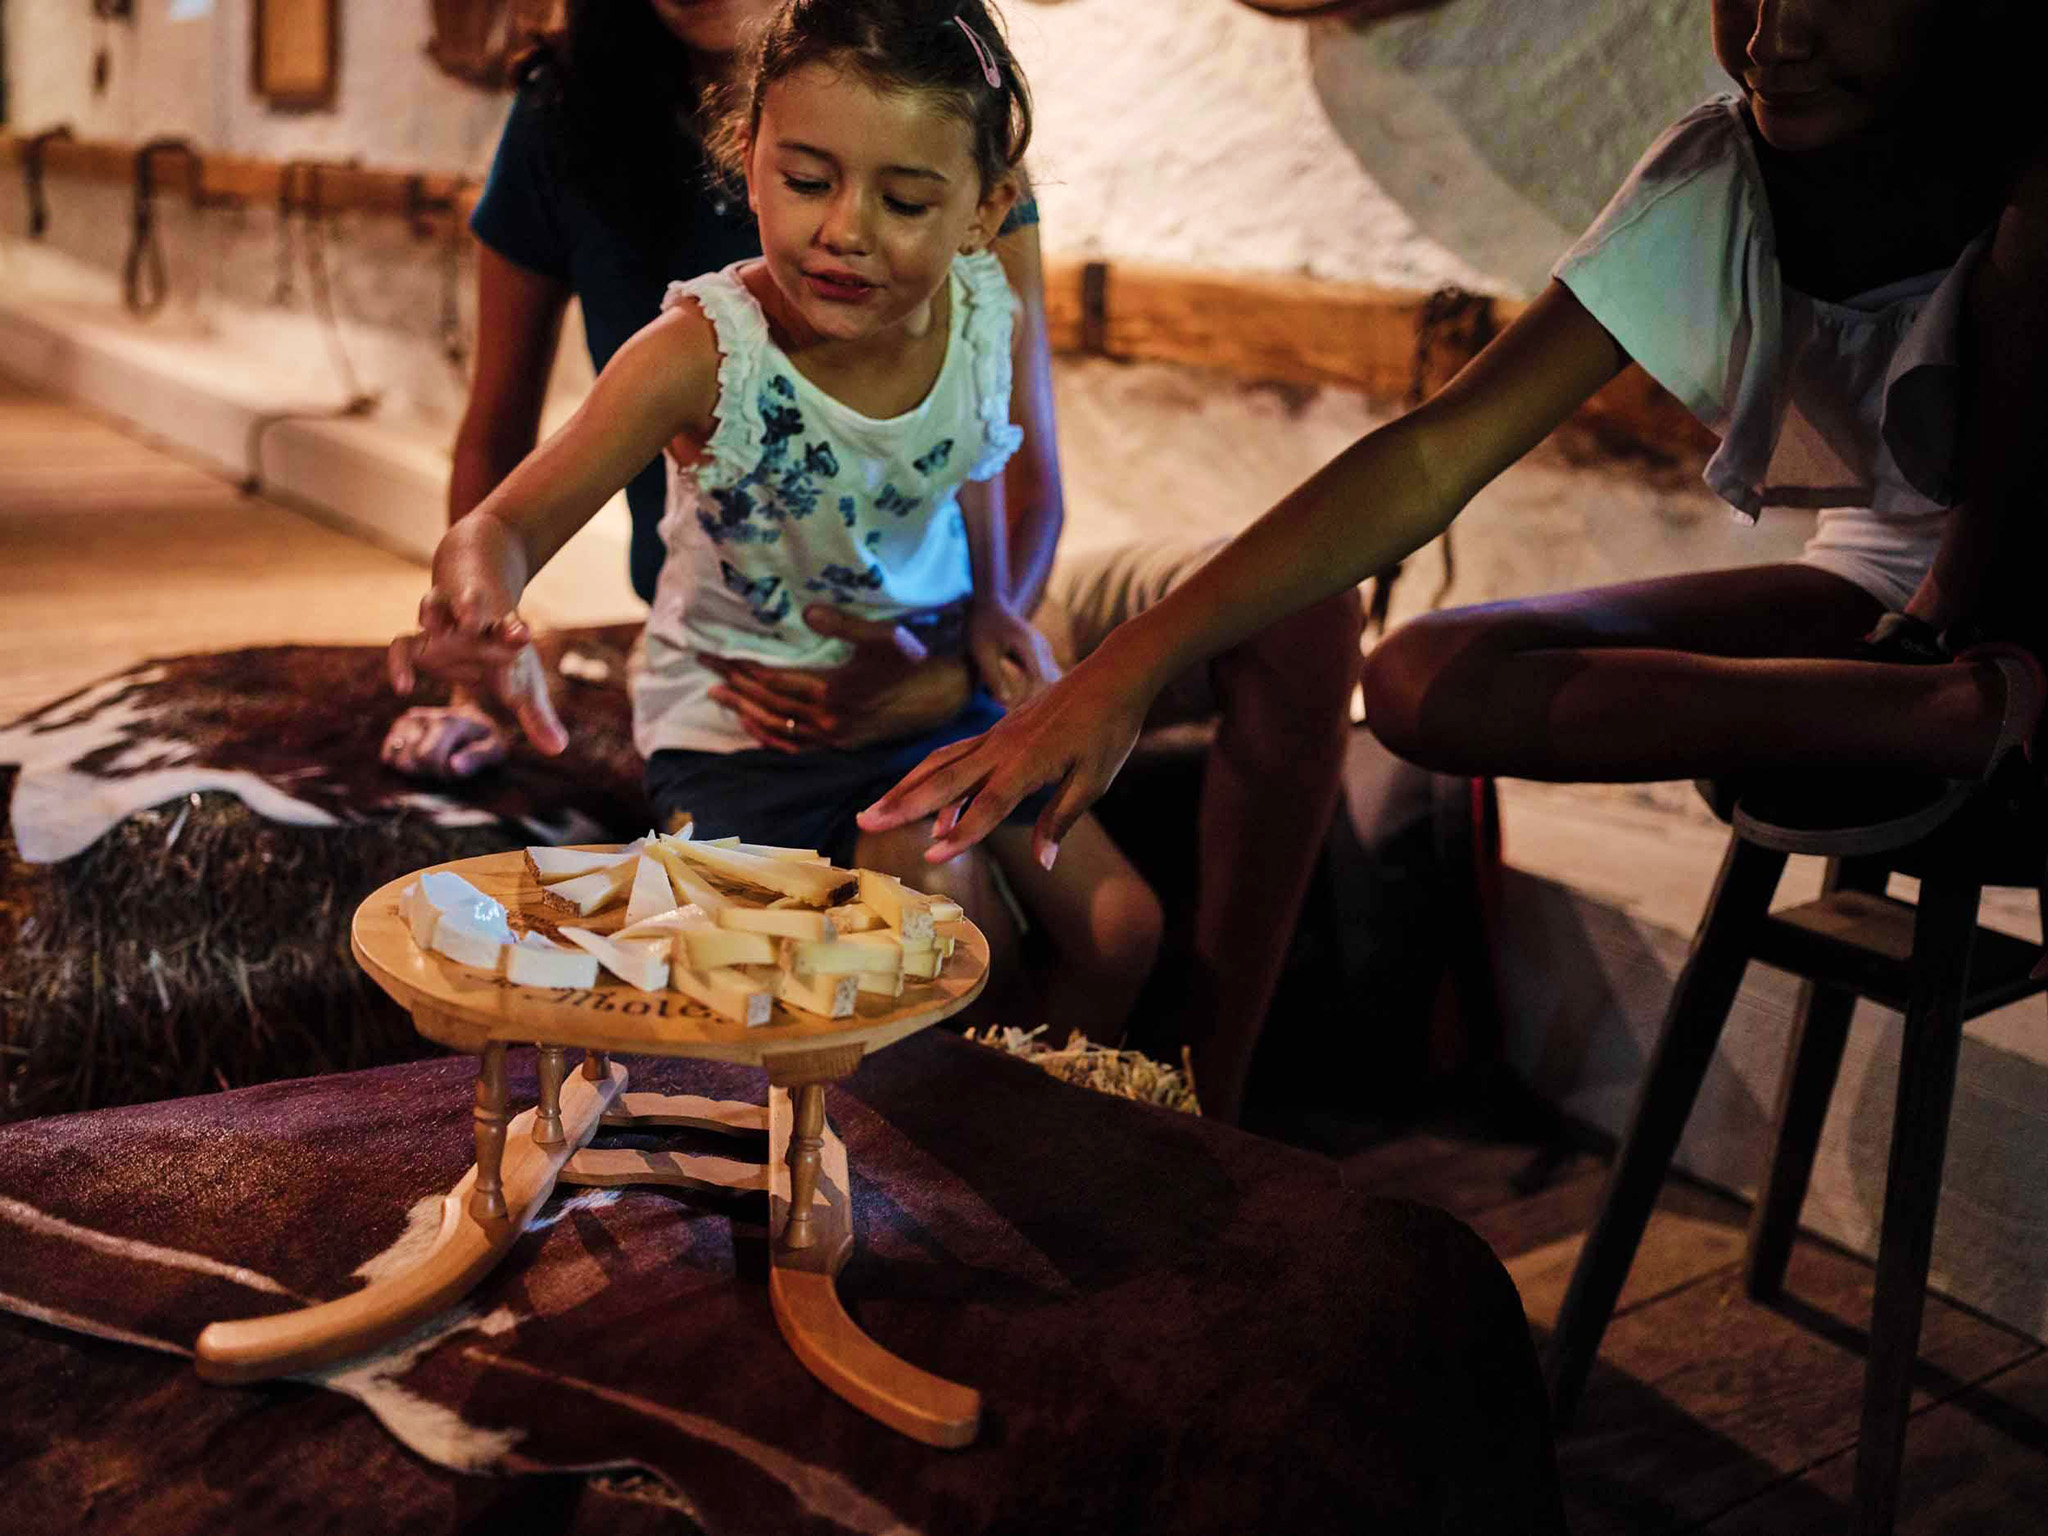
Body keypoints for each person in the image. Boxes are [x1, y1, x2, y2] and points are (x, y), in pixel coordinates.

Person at [381, 0, 1359, 1121]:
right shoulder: (699, 346)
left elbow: (1001, 468)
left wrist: (992, 611)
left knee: (1121, 927)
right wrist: (482, 610)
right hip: (750, 727)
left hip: (928, 685)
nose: (848, 230)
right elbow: (502, 521)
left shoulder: (972, 293)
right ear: (744, 162)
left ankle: (1073, 1137)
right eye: (808, 184)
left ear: (985, 207)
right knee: (947, 918)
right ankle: (944, 1168)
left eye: (902, 201)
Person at [861, 0, 2048, 876]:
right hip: (1887, 606)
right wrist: (1125, 673)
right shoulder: (1724, 171)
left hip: (1993, 600)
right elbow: (1435, 454)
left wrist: (1948, 610)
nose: (1769, 37)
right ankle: (1943, 717)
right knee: (1421, 680)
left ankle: (1945, 705)